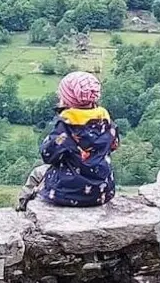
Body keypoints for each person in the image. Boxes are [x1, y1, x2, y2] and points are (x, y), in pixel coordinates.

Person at [19, 71, 119, 209]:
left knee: (38, 173)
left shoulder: (67, 124)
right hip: (103, 192)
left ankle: (22, 209)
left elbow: (48, 155)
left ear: (67, 99)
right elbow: (114, 144)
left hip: (67, 194)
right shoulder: (106, 120)